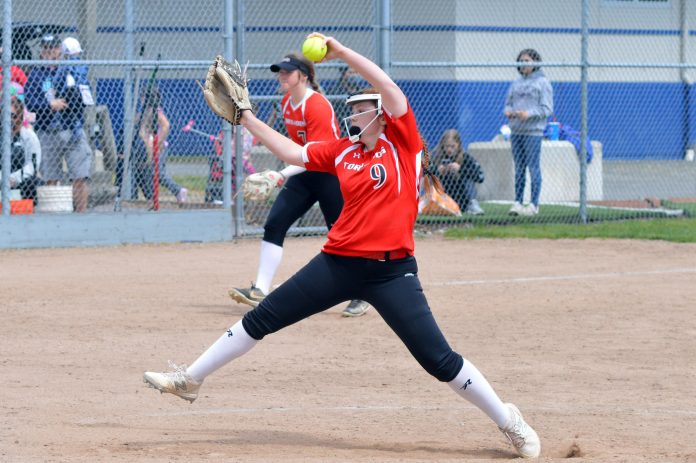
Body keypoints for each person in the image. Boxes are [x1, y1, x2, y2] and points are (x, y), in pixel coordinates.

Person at [144, 33, 541, 459]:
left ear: (382, 116)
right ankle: (191, 379)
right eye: (350, 109)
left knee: (438, 360)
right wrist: (244, 118)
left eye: (361, 108)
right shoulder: (344, 151)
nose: (353, 114)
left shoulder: (403, 145)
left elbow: (389, 88)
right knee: (264, 318)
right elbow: (293, 153)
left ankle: (508, 421)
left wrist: (341, 53)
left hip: (393, 272)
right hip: (337, 264)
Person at [228, 53, 371, 318]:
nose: (282, 76)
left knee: (341, 235)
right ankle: (259, 289)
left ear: (302, 76)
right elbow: (298, 151)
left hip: (329, 174)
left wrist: (280, 175)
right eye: (280, 72)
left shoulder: (316, 106)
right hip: (304, 174)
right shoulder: (287, 103)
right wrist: (282, 172)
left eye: (287, 72)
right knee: (275, 223)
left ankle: (361, 294)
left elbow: (320, 154)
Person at [24, 35, 94, 212]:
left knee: (80, 174)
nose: (50, 51)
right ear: (41, 51)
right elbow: (30, 103)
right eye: (46, 48)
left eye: (54, 48)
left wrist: (74, 96)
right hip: (48, 131)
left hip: (72, 128)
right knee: (50, 176)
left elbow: (86, 96)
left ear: (60, 50)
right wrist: (49, 106)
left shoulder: (72, 69)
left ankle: (81, 215)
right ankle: (52, 215)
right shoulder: (36, 74)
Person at [503, 48, 553, 217]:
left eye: (527, 61)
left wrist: (529, 114)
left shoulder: (543, 82)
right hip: (516, 130)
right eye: (521, 61)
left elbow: (547, 109)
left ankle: (533, 204)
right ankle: (517, 202)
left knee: (533, 167)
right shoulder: (516, 83)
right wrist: (509, 111)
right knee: (519, 168)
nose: (523, 64)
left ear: (535, 63)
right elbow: (508, 103)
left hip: (533, 132)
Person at [134, 85, 188, 204]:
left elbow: (165, 125)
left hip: (158, 147)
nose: (141, 99)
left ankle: (178, 190)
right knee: (146, 173)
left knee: (157, 172)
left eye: (143, 97)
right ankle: (151, 198)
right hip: (145, 148)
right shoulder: (144, 111)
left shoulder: (155, 110)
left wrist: (156, 144)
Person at [431, 129, 484, 215]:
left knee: (468, 175)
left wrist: (460, 169)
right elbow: (422, 172)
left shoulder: (465, 157)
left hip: (461, 198)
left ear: (458, 145)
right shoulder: (436, 156)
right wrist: (437, 170)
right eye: (447, 146)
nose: (449, 150)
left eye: (452, 146)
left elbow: (480, 177)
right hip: (441, 196)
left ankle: (471, 204)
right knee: (429, 178)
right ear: (442, 145)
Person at [0, 97, 42, 203]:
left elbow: (33, 165)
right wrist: (2, 178)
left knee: (31, 182)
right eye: (4, 116)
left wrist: (14, 178)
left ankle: (27, 212)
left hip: (20, 180)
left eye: (12, 116)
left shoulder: (28, 136)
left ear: (19, 117)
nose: (8, 120)